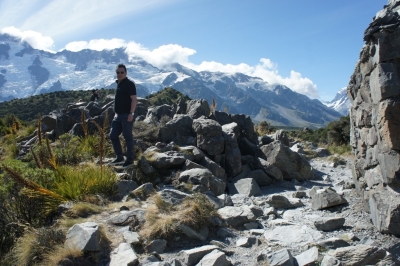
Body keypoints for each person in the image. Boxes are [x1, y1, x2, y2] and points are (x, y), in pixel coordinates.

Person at [109, 64, 137, 168]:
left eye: (122, 72)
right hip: (118, 116)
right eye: (118, 72)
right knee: (113, 135)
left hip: (126, 115)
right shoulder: (119, 84)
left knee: (128, 137)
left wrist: (131, 113)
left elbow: (134, 99)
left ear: (126, 73)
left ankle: (130, 160)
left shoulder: (129, 84)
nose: (120, 74)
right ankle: (119, 157)